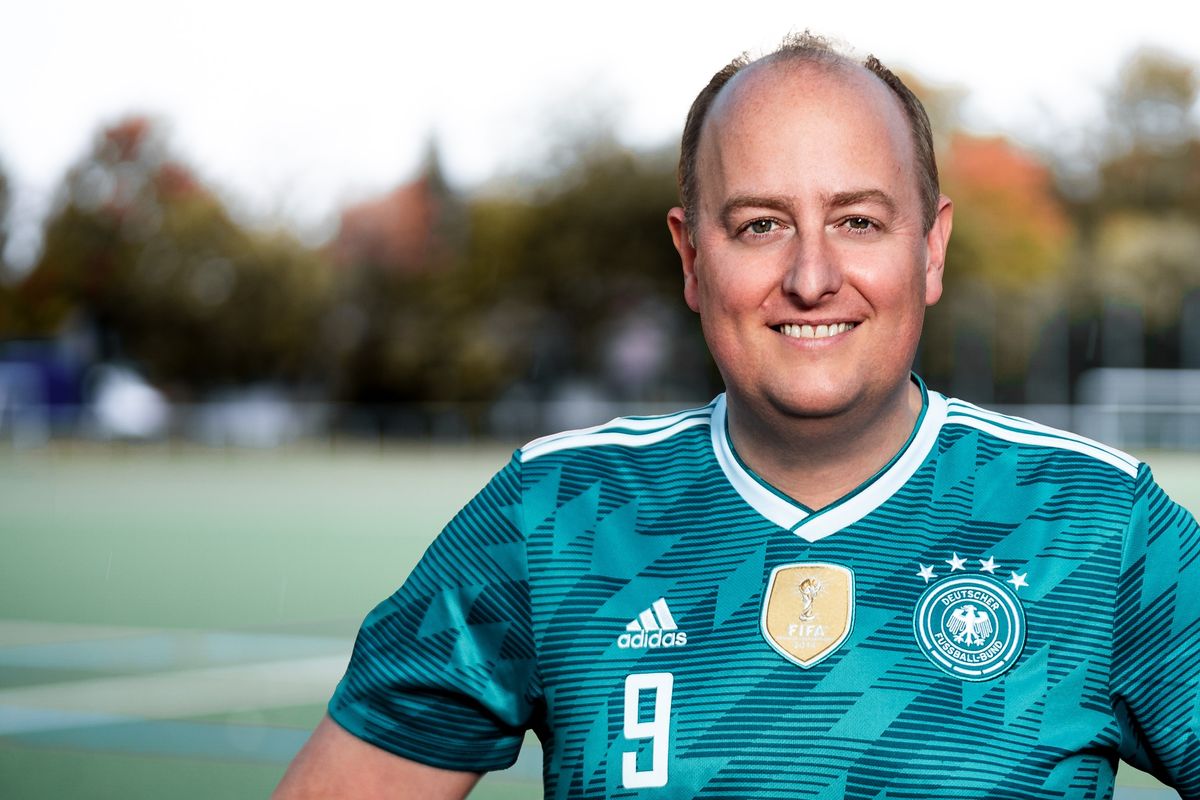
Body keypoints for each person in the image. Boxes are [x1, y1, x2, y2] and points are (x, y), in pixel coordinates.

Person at [275, 32, 1200, 799]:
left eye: (858, 221)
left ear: (930, 248)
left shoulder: (1100, 525)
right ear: (691, 257)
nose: (810, 277)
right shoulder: (551, 515)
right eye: (761, 224)